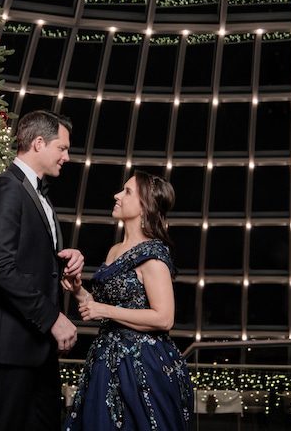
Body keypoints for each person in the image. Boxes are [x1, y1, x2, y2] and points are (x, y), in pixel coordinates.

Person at [0, 110, 85, 431]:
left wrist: (63, 260)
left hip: (37, 347)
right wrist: (52, 318)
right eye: (62, 148)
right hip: (11, 347)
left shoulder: (37, 194)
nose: (67, 157)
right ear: (39, 143)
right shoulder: (4, 188)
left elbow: (26, 259)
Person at [62, 170, 194, 431]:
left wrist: (104, 309)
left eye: (127, 191)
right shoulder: (115, 250)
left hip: (141, 368)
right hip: (104, 361)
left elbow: (164, 318)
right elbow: (104, 307)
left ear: (145, 205)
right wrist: (78, 290)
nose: (117, 195)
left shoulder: (153, 255)